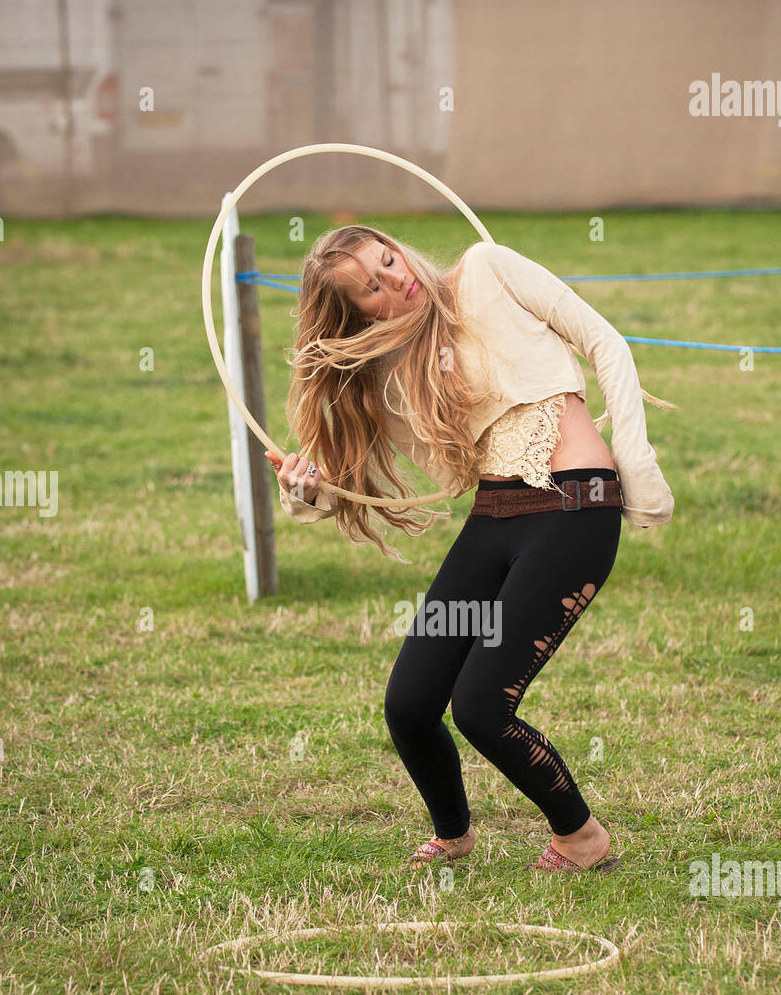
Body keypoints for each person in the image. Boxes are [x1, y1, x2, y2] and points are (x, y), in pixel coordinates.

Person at [266, 227, 674, 874]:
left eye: (388, 260)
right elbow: (336, 483)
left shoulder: (488, 268)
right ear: (355, 314)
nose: (394, 280)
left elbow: (606, 342)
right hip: (495, 518)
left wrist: (636, 461)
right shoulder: (384, 368)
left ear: (398, 246)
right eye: (370, 288)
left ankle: (582, 836)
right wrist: (303, 491)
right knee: (408, 703)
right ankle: (453, 833)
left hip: (573, 510)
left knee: (482, 706)